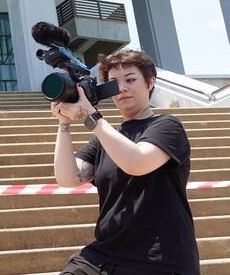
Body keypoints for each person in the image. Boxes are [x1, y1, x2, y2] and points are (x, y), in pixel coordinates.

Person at [52, 50, 199, 275]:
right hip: (105, 253)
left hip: (159, 257)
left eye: (130, 80)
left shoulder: (168, 126)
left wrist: (91, 117)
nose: (121, 89)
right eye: (113, 83)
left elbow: (136, 162)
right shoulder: (105, 138)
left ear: (150, 82)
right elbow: (68, 178)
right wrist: (64, 123)